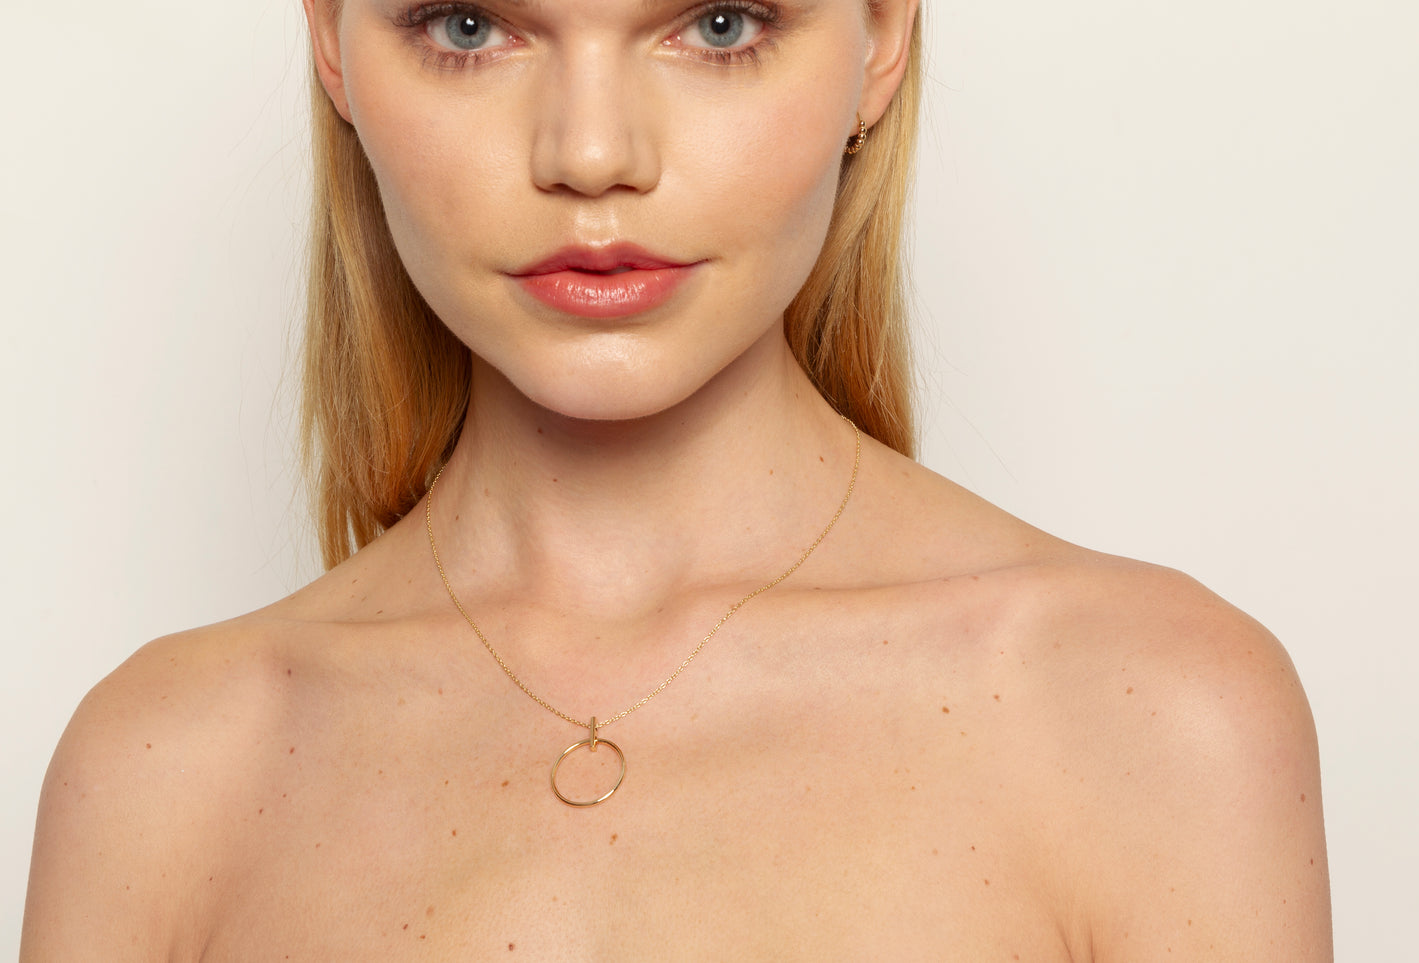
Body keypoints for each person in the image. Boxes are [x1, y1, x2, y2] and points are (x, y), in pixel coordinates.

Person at [21, 0, 1331, 957]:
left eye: (716, 25)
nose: (592, 154)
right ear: (334, 45)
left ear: (879, 40)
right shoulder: (166, 771)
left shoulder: (1147, 715)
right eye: (470, 28)